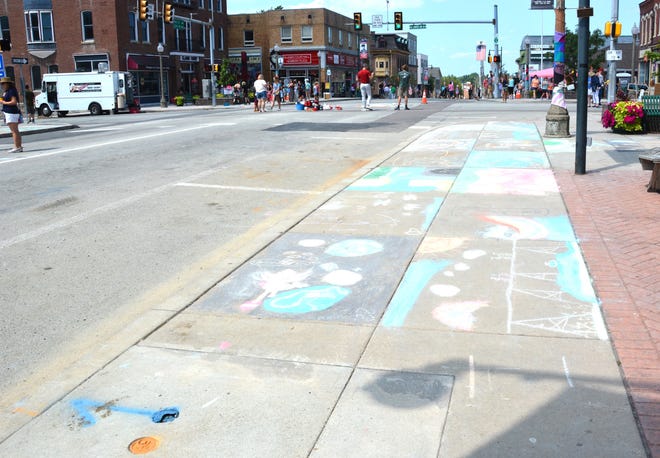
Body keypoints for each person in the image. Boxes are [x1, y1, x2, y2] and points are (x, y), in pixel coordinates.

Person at [1, 77, 23, 153]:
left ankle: (17, 147)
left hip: (11, 112)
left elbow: (14, 102)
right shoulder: (7, 91)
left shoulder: (11, 91)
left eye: (3, 83)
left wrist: (4, 103)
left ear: (8, 84)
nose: (2, 85)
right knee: (15, 131)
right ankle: (19, 146)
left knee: (14, 131)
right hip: (10, 112)